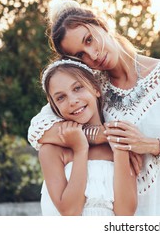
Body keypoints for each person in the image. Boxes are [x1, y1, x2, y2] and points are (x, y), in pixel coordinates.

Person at [28, 0, 160, 215]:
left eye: (89, 40)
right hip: (111, 211)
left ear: (101, 24)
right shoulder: (88, 84)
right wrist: (102, 135)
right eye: (80, 55)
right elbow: (39, 129)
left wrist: (149, 145)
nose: (92, 54)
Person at [38, 58, 137, 216]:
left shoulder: (117, 144)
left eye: (77, 88)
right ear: (54, 107)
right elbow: (70, 212)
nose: (73, 101)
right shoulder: (51, 150)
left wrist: (120, 151)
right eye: (60, 98)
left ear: (96, 89)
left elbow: (125, 214)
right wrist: (80, 149)